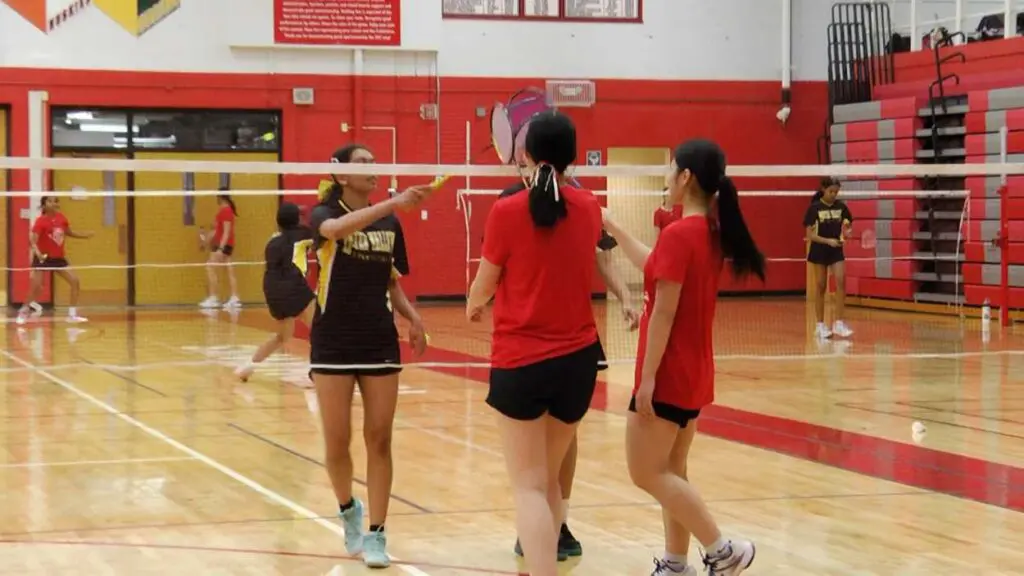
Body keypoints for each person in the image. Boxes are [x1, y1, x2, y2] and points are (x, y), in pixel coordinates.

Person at [601, 139, 760, 576]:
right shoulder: (705, 233)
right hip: (694, 373)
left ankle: (723, 549)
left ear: (686, 177)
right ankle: (675, 565)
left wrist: (647, 381)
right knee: (673, 470)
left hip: (668, 374)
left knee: (645, 472)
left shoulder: (680, 234)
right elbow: (655, 267)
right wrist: (613, 227)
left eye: (672, 170)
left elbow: (664, 313)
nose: (668, 178)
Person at [467, 110, 603, 576]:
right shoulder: (590, 207)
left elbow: (485, 284)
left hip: (521, 362)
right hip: (578, 363)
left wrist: (473, 303)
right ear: (574, 157)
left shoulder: (507, 210)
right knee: (548, 484)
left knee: (527, 487)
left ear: (524, 154)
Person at [498, 146, 639, 563]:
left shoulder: (581, 199)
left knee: (564, 440)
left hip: (572, 338)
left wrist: (626, 296)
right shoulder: (510, 202)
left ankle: (557, 523)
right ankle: (537, 521)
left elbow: (602, 258)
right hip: (526, 340)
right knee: (530, 463)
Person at [307, 143, 433, 568]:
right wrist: (394, 203)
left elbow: (390, 279)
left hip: (378, 339)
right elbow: (334, 231)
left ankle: (377, 532)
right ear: (341, 174)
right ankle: (348, 511)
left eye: (373, 162)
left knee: (380, 438)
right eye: (363, 163)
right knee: (337, 440)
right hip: (333, 341)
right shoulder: (324, 213)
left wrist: (413, 318)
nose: (372, 168)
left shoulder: (391, 223)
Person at [235, 202, 316, 382]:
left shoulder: (272, 242)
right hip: (293, 287)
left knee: (283, 336)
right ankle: (317, 371)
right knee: (320, 329)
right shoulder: (304, 235)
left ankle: (247, 368)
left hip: (272, 291)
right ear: (297, 220)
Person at [16, 196, 93, 325]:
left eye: (55, 201)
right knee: (36, 287)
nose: (54, 203)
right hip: (43, 258)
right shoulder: (41, 221)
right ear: (44, 205)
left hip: (58, 258)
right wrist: (39, 254)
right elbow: (33, 241)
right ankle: (23, 311)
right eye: (50, 201)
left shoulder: (62, 218)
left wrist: (84, 236)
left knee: (75, 281)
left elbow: (69, 232)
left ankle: (72, 315)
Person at [804, 176, 853, 340]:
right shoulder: (814, 209)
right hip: (819, 249)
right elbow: (809, 234)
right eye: (831, 191)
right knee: (821, 286)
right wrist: (827, 241)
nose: (833, 194)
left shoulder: (842, 208)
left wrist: (847, 232)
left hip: (836, 250)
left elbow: (847, 226)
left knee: (841, 280)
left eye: (836, 192)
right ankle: (820, 325)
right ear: (823, 190)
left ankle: (839, 322)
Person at [200, 190, 240, 310]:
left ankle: (214, 298)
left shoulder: (226, 211)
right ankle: (234, 297)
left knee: (210, 267)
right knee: (229, 269)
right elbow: (217, 231)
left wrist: (221, 248)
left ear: (221, 197)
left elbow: (226, 232)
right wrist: (206, 241)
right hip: (223, 244)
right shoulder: (224, 211)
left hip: (224, 245)